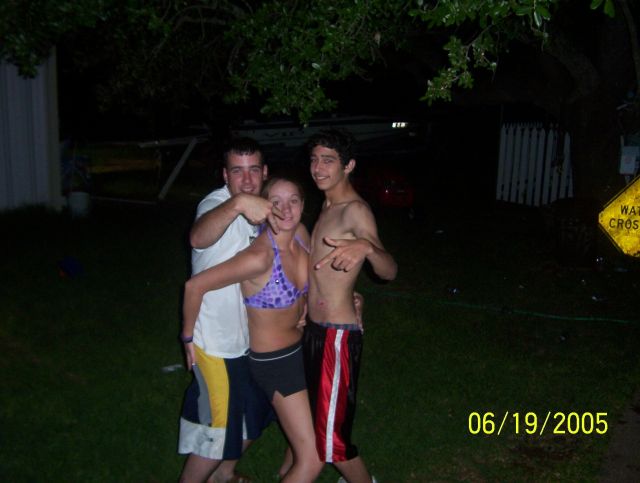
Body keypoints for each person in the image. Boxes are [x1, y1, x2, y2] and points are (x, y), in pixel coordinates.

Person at [182, 177, 323, 483]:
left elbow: (319, 276)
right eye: (276, 202)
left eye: (293, 201)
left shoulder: (300, 235)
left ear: (303, 204)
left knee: (311, 427)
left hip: (299, 350)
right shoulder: (260, 256)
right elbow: (195, 286)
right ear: (264, 206)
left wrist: (346, 299)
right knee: (313, 458)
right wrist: (188, 337)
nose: (286, 209)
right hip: (275, 364)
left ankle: (285, 472)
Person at [304, 129, 397, 483]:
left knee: (334, 442)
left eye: (328, 160)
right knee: (317, 418)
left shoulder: (355, 210)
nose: (318, 168)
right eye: (314, 159)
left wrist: (368, 249)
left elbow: (389, 271)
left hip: (336, 337)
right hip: (314, 330)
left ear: (349, 166)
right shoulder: (326, 205)